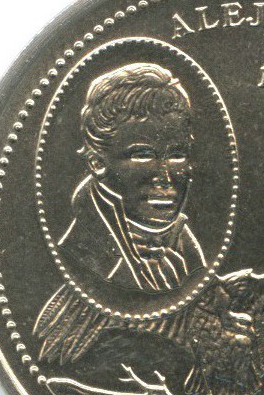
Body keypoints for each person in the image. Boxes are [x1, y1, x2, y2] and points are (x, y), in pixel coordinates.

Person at [59, 62, 206, 292]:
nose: (165, 177)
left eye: (177, 156)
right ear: (97, 163)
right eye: (143, 156)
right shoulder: (77, 262)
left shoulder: (188, 253)